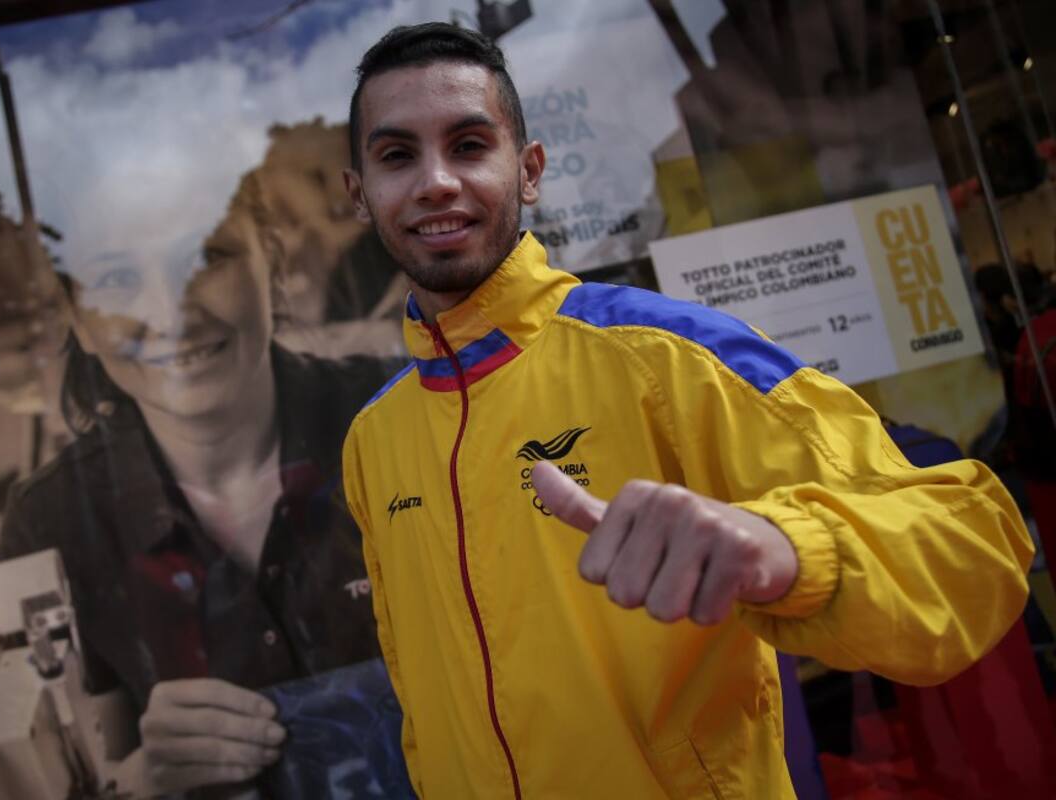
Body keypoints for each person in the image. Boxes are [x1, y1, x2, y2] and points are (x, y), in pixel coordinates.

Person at [338, 22, 1034, 798]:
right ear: (358, 193)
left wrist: (786, 547)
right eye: (397, 155)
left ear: (529, 171)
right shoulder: (374, 438)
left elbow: (970, 543)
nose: (436, 181)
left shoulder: (668, 352)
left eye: (469, 145)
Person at [0, 170, 396, 798]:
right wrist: (138, 783)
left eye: (206, 257)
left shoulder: (406, 413)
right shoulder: (51, 523)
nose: (171, 312)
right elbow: (59, 771)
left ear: (270, 256)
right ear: (75, 314)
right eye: (118, 279)